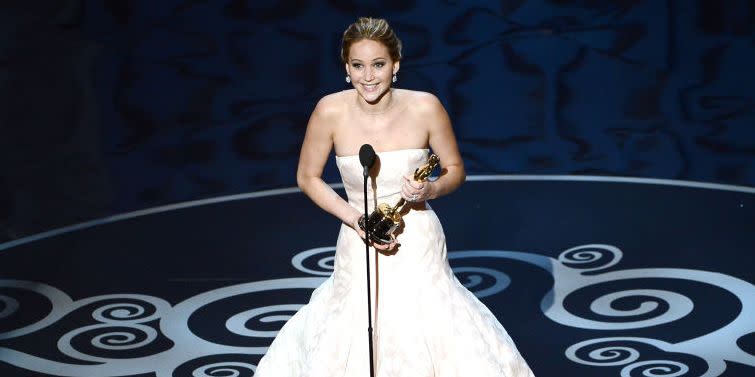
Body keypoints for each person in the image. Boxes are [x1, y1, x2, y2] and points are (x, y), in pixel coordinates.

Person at [254, 17, 535, 377]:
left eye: (378, 65)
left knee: (428, 326)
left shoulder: (425, 107)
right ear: (346, 68)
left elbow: (454, 169)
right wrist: (356, 219)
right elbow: (307, 177)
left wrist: (430, 188)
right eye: (358, 66)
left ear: (396, 65)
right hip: (358, 238)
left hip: (416, 240)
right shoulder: (330, 111)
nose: (368, 76)